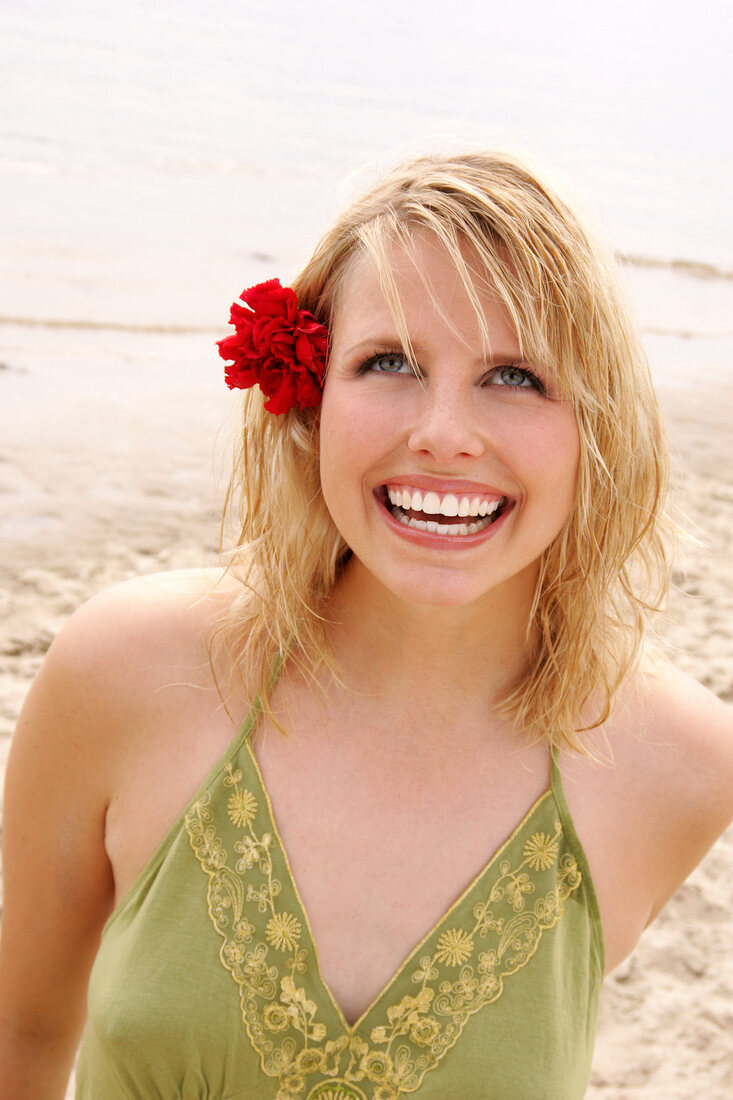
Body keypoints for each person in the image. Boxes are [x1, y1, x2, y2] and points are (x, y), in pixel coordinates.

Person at [1, 151, 731, 1100]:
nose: (441, 431)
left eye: (514, 375)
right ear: (311, 398)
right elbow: (21, 1028)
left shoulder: (679, 765)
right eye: (387, 362)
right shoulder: (126, 669)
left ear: (597, 426)